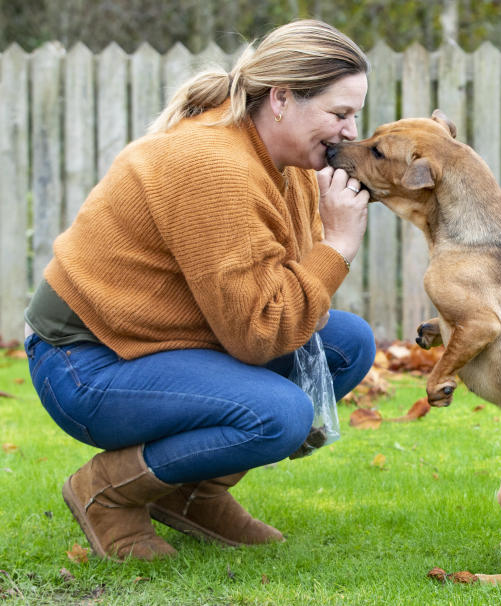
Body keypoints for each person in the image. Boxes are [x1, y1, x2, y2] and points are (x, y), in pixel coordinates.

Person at [23, 20, 375, 561]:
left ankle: (192, 493)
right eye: (340, 114)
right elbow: (260, 335)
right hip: (85, 361)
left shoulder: (289, 165)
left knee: (347, 343)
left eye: (355, 115)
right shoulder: (213, 167)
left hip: (167, 341)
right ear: (281, 98)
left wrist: (328, 240)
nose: (351, 132)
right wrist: (339, 246)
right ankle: (107, 494)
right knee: (278, 414)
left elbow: (279, 301)